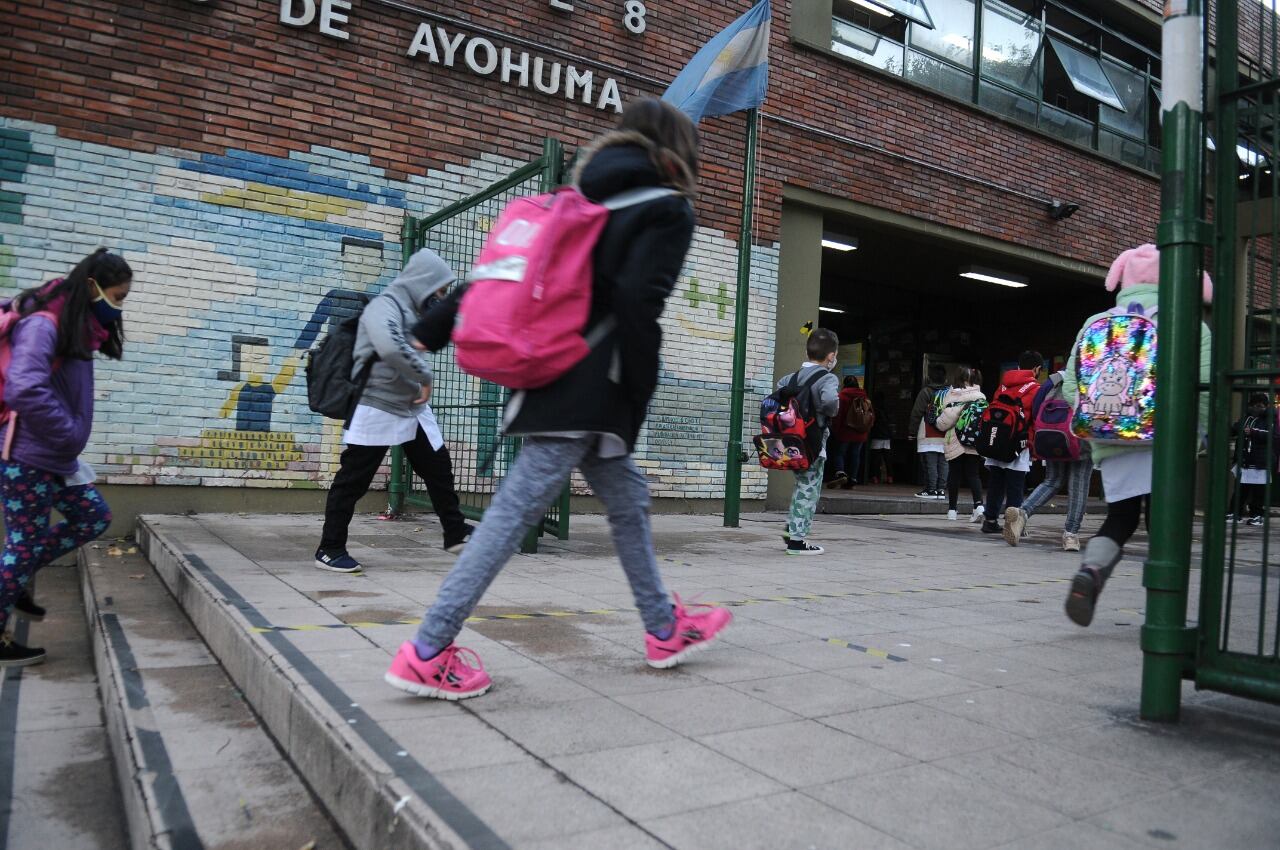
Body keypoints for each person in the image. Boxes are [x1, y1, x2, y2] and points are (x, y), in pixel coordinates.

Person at [384, 98, 732, 700]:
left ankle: (661, 628)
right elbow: (637, 308)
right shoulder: (666, 209)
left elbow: (501, 274)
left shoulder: (577, 198)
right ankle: (427, 649)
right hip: (589, 386)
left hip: (549, 372)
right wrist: (637, 400)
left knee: (628, 499)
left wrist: (432, 330)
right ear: (679, 154)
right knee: (511, 514)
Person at [1062, 244, 1212, 626]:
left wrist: (1101, 433)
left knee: (1121, 518)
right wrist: (1198, 437)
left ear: (1123, 278)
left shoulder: (1096, 322)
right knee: (1164, 524)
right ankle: (1162, 612)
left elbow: (1072, 386)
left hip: (1113, 441)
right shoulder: (1188, 322)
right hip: (1168, 441)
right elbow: (1205, 386)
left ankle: (1092, 572)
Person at [0, 249, 126, 667]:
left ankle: (12, 580)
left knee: (92, 517)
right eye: (117, 296)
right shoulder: (43, 323)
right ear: (92, 288)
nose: (119, 307)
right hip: (26, 455)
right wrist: (68, 433)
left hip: (53, 457)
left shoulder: (78, 326)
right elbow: (23, 389)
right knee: (23, 544)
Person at [315, 247, 473, 574]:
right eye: (438, 289)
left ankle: (455, 533)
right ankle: (329, 548)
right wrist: (424, 375)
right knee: (354, 479)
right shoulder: (383, 306)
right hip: (377, 405)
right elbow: (388, 346)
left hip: (410, 406)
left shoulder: (413, 310)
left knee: (437, 467)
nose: (440, 296)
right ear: (422, 282)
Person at [1004, 370, 1094, 551]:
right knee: (1079, 482)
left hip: (1054, 436)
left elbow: (1037, 407)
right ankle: (1070, 534)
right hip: (1081, 437)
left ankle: (1023, 513)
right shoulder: (1091, 377)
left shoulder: (1054, 379)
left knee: (1052, 480)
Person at [780, 328, 841, 554]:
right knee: (809, 489)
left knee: (801, 485)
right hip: (813, 444)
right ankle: (797, 541)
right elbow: (830, 404)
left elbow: (779, 395)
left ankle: (790, 530)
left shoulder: (790, 378)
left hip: (791, 442)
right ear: (831, 356)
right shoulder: (828, 378)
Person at [979, 351, 1043, 537]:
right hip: (1018, 444)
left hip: (997, 440)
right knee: (1015, 485)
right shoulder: (1035, 389)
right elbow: (1035, 418)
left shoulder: (1003, 385)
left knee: (996, 482)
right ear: (1036, 369)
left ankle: (990, 520)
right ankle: (1014, 524)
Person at [936, 366, 985, 522]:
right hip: (974, 440)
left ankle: (952, 510)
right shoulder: (981, 397)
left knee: (954, 474)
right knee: (973, 474)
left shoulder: (953, 396)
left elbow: (943, 423)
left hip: (955, 439)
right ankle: (978, 506)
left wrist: (937, 420)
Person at [1230, 392, 1276, 526]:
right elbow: (1236, 428)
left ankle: (1257, 515)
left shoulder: (1270, 419)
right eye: (1256, 406)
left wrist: (1253, 432)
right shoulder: (1246, 417)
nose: (1258, 409)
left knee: (1258, 491)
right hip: (1246, 459)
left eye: (1261, 406)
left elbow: (1272, 436)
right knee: (1241, 488)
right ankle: (1234, 512)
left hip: (1261, 461)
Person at [909, 363, 949, 499]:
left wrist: (912, 432)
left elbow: (917, 412)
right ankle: (941, 490)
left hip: (928, 431)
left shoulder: (926, 391)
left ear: (930, 378)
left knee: (930, 462)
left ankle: (931, 489)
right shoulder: (951, 392)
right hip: (946, 431)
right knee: (943, 462)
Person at [826, 375, 871, 488]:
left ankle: (841, 473)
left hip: (845, 431)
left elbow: (837, 415)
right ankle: (853, 478)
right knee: (855, 455)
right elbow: (870, 415)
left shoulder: (842, 396)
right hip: (860, 432)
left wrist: (835, 430)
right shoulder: (864, 396)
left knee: (840, 453)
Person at [866, 391, 893, 484]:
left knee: (875, 458)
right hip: (887, 435)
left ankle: (874, 476)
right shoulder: (888, 408)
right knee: (887, 458)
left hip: (877, 434)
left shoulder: (874, 408)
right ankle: (890, 476)